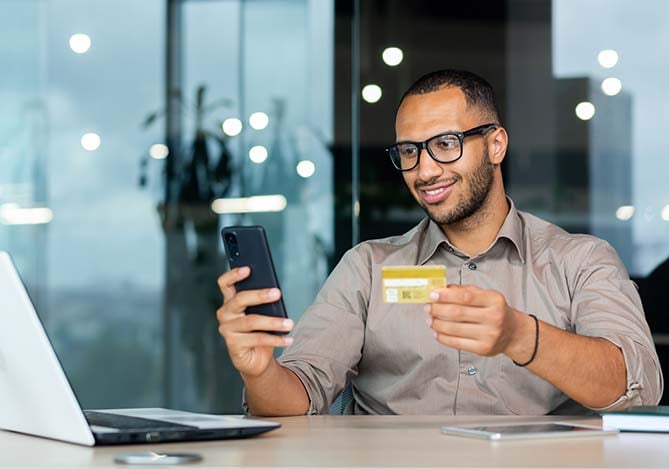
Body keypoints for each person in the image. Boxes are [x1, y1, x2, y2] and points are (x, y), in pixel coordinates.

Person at [216, 69, 663, 416]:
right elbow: (298, 398)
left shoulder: (581, 260)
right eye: (409, 151)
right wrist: (260, 372)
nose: (425, 170)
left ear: (496, 144)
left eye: (446, 143)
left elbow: (636, 386)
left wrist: (519, 335)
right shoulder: (368, 268)